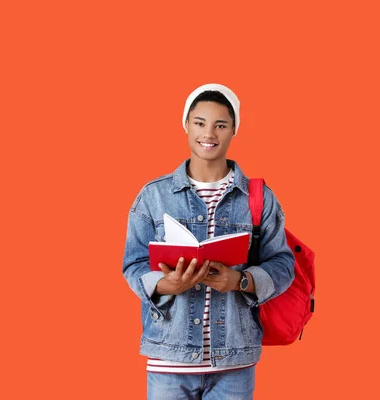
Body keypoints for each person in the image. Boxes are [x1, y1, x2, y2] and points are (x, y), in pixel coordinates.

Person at [122, 83, 295, 400]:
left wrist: (240, 280)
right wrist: (164, 285)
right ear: (186, 125)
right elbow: (132, 264)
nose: (209, 133)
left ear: (234, 130)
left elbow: (283, 264)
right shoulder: (153, 196)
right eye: (200, 122)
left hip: (235, 361)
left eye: (221, 125)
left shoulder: (259, 198)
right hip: (168, 359)